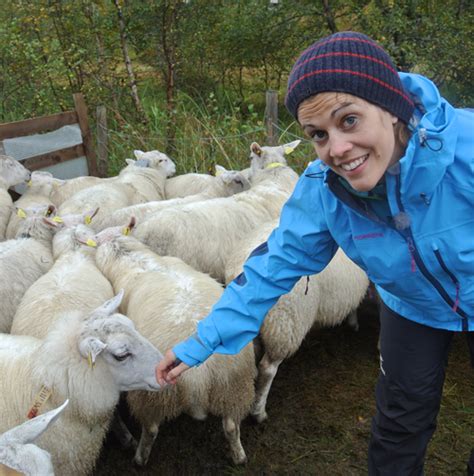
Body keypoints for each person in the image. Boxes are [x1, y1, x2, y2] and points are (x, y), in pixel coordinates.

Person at [156, 31, 474, 475]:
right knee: (400, 421)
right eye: (318, 135)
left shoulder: (465, 149)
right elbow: (270, 267)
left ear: (391, 107)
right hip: (412, 308)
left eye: (349, 121)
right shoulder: (324, 190)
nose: (337, 150)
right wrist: (201, 341)